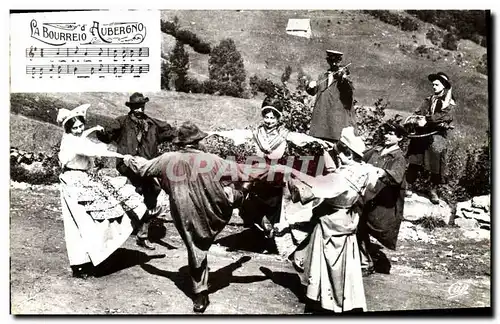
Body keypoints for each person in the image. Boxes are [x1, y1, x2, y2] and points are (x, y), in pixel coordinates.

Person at [122, 121, 290, 313]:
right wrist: (281, 172)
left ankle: (200, 292)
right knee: (236, 193)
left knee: (195, 246)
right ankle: (200, 291)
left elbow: (143, 169)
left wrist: (129, 159)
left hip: (183, 212)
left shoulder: (167, 158)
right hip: (213, 210)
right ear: (197, 142)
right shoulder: (212, 160)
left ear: (180, 143)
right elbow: (246, 171)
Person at [273, 127, 385, 313]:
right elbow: (376, 177)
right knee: (344, 264)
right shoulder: (365, 171)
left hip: (331, 221)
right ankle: (344, 298)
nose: (338, 156)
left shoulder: (341, 178)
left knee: (328, 263)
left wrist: (290, 170)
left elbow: (316, 185)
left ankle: (329, 302)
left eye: (341, 153)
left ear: (349, 155)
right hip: (347, 219)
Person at [208, 97, 334, 248]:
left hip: (274, 176)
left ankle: (271, 238)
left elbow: (301, 138)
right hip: (256, 174)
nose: (268, 121)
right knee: (246, 201)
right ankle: (259, 232)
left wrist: (320, 142)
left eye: (272, 118)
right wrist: (213, 133)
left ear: (278, 118)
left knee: (275, 207)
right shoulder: (257, 133)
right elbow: (237, 133)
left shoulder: (284, 134)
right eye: (266, 117)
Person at [57, 104, 144, 279]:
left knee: (90, 220)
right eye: (74, 127)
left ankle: (90, 259)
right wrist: (122, 156)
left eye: (81, 125)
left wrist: (91, 129)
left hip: (82, 179)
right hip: (73, 183)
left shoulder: (77, 138)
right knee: (80, 223)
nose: (79, 130)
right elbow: (94, 150)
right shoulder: (71, 142)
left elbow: (87, 141)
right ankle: (80, 264)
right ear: (68, 129)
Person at [96, 92, 176, 250]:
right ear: (131, 108)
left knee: (153, 191)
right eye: (136, 106)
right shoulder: (122, 122)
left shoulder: (152, 123)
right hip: (129, 166)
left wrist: (181, 135)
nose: (139, 109)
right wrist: (101, 133)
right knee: (133, 194)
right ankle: (125, 231)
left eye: (141, 106)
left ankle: (142, 233)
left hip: (147, 166)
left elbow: (169, 132)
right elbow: (107, 136)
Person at [358, 122, 407, 277]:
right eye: (386, 132)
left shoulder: (398, 157)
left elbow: (397, 177)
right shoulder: (376, 150)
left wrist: (383, 173)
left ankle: (367, 263)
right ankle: (365, 261)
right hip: (368, 197)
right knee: (358, 227)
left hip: (382, 203)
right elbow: (359, 157)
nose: (386, 135)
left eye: (391, 134)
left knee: (362, 228)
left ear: (399, 138)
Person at [405, 72, 455, 204]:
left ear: (444, 86)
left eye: (437, 84)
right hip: (423, 133)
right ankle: (408, 186)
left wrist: (427, 120)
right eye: (433, 84)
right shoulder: (429, 100)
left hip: (437, 134)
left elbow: (445, 116)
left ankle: (433, 190)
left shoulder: (449, 102)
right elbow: (418, 112)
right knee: (415, 157)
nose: (434, 86)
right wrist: (415, 119)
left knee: (436, 160)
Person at [306, 50, 355, 162]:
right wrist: (309, 86)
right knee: (317, 155)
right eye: (331, 60)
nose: (334, 64)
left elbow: (349, 89)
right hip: (320, 121)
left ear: (340, 61)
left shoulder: (344, 77)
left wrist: (344, 77)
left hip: (334, 125)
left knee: (333, 155)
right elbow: (312, 92)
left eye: (336, 61)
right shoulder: (322, 76)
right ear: (328, 61)